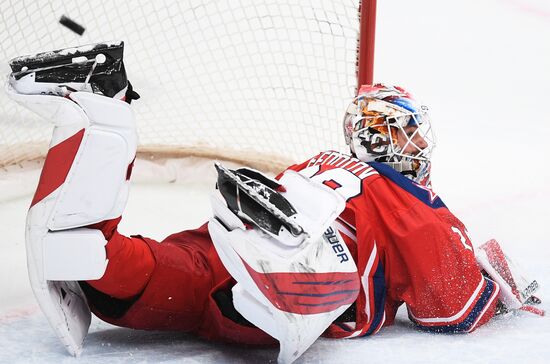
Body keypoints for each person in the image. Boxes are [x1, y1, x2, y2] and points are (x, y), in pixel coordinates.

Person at [6, 43, 541, 361]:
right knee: (148, 276)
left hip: (230, 236)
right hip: (267, 279)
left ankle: (102, 131)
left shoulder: (328, 160)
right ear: (399, 141)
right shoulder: (413, 207)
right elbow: (451, 307)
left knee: (134, 271)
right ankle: (108, 119)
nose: (418, 148)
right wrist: (501, 286)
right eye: (411, 136)